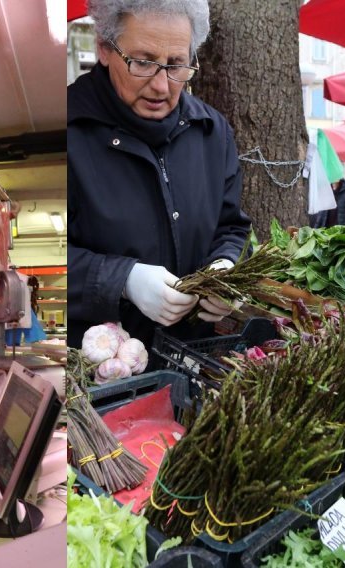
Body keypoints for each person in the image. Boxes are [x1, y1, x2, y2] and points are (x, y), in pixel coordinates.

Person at [67, 0, 251, 349]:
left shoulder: (213, 131)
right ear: (104, 49)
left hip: (196, 356)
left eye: (176, 65)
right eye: (143, 62)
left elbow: (232, 228)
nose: (161, 87)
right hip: (102, 372)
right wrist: (123, 280)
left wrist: (227, 267)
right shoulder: (69, 127)